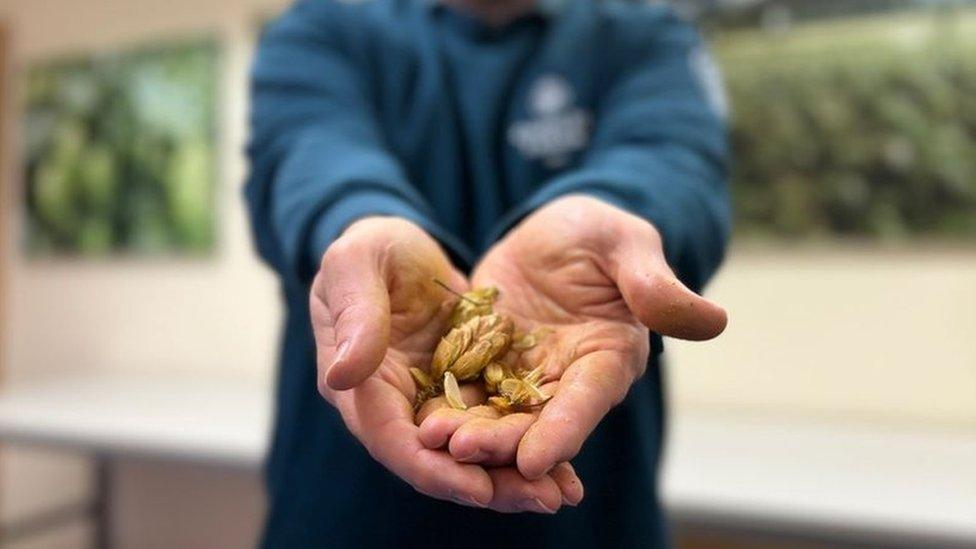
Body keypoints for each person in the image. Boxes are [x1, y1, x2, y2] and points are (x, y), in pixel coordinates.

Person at [245, 0, 730, 546]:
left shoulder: (646, 34)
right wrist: (359, 224)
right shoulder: (320, 27)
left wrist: (618, 211)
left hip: (585, 511)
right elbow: (311, 155)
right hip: (344, 504)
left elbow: (676, 162)